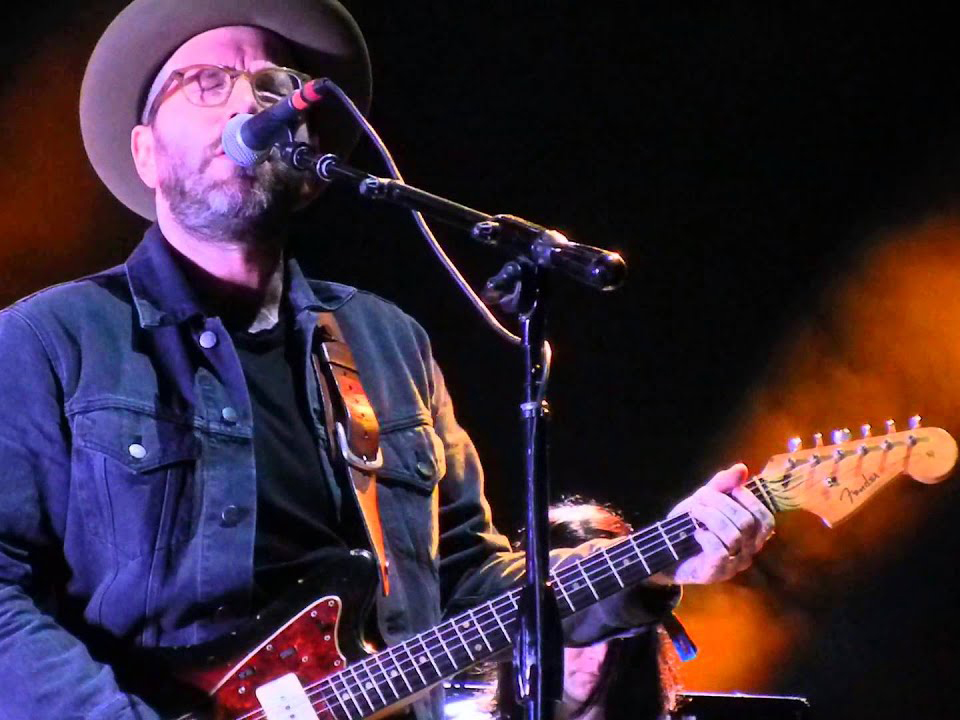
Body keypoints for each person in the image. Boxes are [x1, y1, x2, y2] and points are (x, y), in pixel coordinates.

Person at [0, 1, 775, 719]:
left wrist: (654, 564)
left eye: (276, 86)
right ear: (146, 152)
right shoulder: (50, 342)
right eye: (208, 82)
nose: (249, 106)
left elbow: (467, 577)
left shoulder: (385, 344)